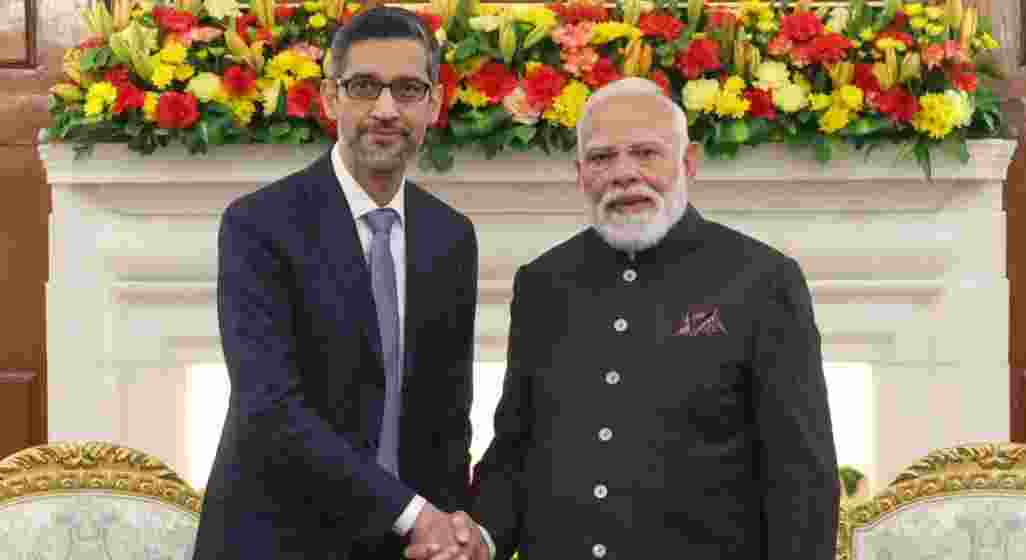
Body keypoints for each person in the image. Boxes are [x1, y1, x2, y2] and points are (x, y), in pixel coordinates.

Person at [410, 76, 840, 560]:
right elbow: (517, 448)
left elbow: (801, 477)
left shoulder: (762, 280)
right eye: (601, 158)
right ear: (580, 174)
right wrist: (479, 539)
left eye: (646, 153)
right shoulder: (544, 283)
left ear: (688, 163)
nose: (623, 173)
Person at [192, 7, 483, 559]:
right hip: (277, 541)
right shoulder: (258, 225)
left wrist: (445, 531)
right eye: (364, 87)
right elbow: (270, 407)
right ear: (330, 98)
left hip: (405, 546)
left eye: (408, 88)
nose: (386, 109)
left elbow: (448, 415)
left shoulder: (451, 236)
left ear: (435, 104)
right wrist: (413, 513)